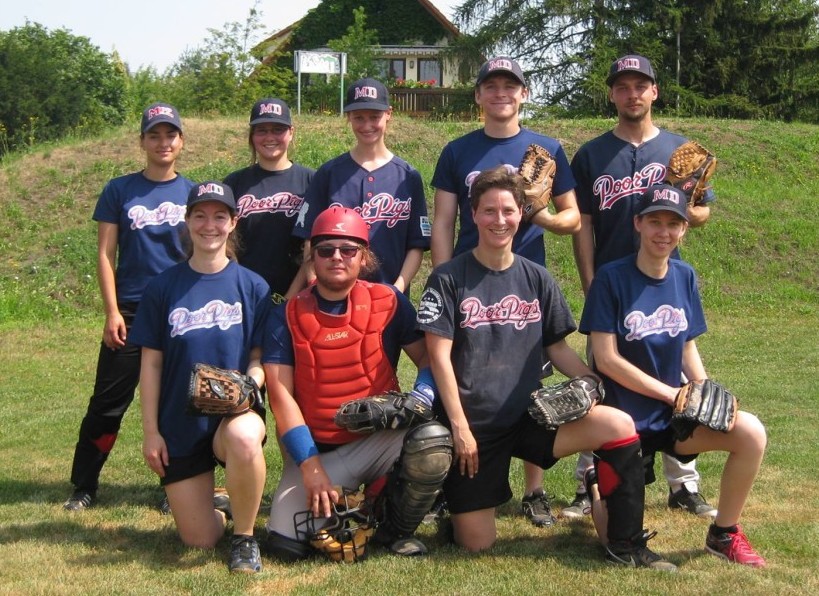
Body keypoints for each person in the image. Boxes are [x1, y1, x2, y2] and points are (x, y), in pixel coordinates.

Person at [417, 167, 676, 570]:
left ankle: (624, 539)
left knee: (619, 426)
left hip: (531, 416)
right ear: (473, 215)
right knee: (476, 544)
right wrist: (460, 427)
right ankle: (455, 504)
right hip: (477, 426)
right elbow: (439, 357)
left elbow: (556, 346)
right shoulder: (449, 277)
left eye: (507, 210)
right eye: (488, 211)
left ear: (521, 213)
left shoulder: (536, 277)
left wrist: (591, 380)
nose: (498, 220)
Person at [579, 184, 767, 567]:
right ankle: (598, 485)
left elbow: (685, 347)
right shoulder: (611, 279)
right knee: (613, 539)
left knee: (751, 432)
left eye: (673, 223)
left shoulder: (684, 276)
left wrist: (704, 389)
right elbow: (606, 359)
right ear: (638, 224)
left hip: (672, 417)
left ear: (684, 230)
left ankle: (723, 533)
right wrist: (671, 394)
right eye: (654, 222)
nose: (663, 231)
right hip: (623, 421)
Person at [430, 56, 580, 527]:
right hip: (469, 282)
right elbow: (443, 220)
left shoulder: (546, 147)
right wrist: (443, 282)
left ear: (524, 93)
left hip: (525, 279)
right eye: (491, 86)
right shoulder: (458, 150)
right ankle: (454, 475)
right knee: (466, 378)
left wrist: (538, 214)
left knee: (528, 381)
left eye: (510, 86)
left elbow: (572, 218)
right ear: (478, 96)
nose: (501, 94)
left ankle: (535, 491)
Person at [568, 54, 717, 520]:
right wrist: (590, 284)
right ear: (613, 94)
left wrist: (685, 198)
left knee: (674, 378)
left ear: (655, 91)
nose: (632, 94)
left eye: (641, 85)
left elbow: (703, 214)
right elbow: (583, 226)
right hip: (612, 285)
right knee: (603, 385)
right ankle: (588, 481)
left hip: (662, 283)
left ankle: (683, 484)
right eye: (623, 86)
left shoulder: (679, 148)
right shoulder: (591, 154)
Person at [262, 206, 452, 561]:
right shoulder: (285, 315)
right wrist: (310, 466)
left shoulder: (388, 302)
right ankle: (356, 500)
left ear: (364, 256)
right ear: (311, 256)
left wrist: (423, 394)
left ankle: (394, 528)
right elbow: (281, 396)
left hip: (377, 442)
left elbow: (428, 358)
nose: (337, 257)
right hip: (318, 450)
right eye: (326, 249)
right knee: (286, 545)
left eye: (348, 249)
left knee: (432, 440)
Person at [129, 181, 271, 573]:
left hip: (233, 415)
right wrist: (151, 432)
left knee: (245, 436)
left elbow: (260, 358)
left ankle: (244, 538)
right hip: (180, 421)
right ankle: (223, 509)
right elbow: (151, 364)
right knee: (200, 539)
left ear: (233, 223)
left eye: (220, 216)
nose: (210, 225)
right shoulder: (162, 288)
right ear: (187, 221)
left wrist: (249, 385)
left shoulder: (253, 286)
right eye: (200, 215)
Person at [63, 103, 194, 512]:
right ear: (142, 141)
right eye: (154, 135)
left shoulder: (193, 192)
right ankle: (84, 485)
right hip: (132, 312)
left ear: (181, 141)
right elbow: (105, 254)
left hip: (179, 312)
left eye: (170, 134)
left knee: (178, 403)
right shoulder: (119, 189)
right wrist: (112, 311)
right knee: (108, 403)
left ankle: (175, 487)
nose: (162, 142)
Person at [292, 77, 430, 293]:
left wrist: (397, 290)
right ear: (348, 117)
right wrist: (315, 285)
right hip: (335, 296)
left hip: (390, 297)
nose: (367, 125)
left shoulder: (408, 176)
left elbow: (416, 244)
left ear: (389, 114)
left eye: (374, 117)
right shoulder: (329, 173)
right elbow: (311, 238)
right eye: (358, 117)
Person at [223, 97, 314, 305]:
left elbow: (315, 247)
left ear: (291, 132)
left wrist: (288, 299)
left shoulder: (311, 181)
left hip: (299, 299)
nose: (270, 137)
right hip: (243, 296)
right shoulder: (234, 183)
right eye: (261, 130)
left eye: (277, 129)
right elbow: (225, 245)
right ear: (252, 136)